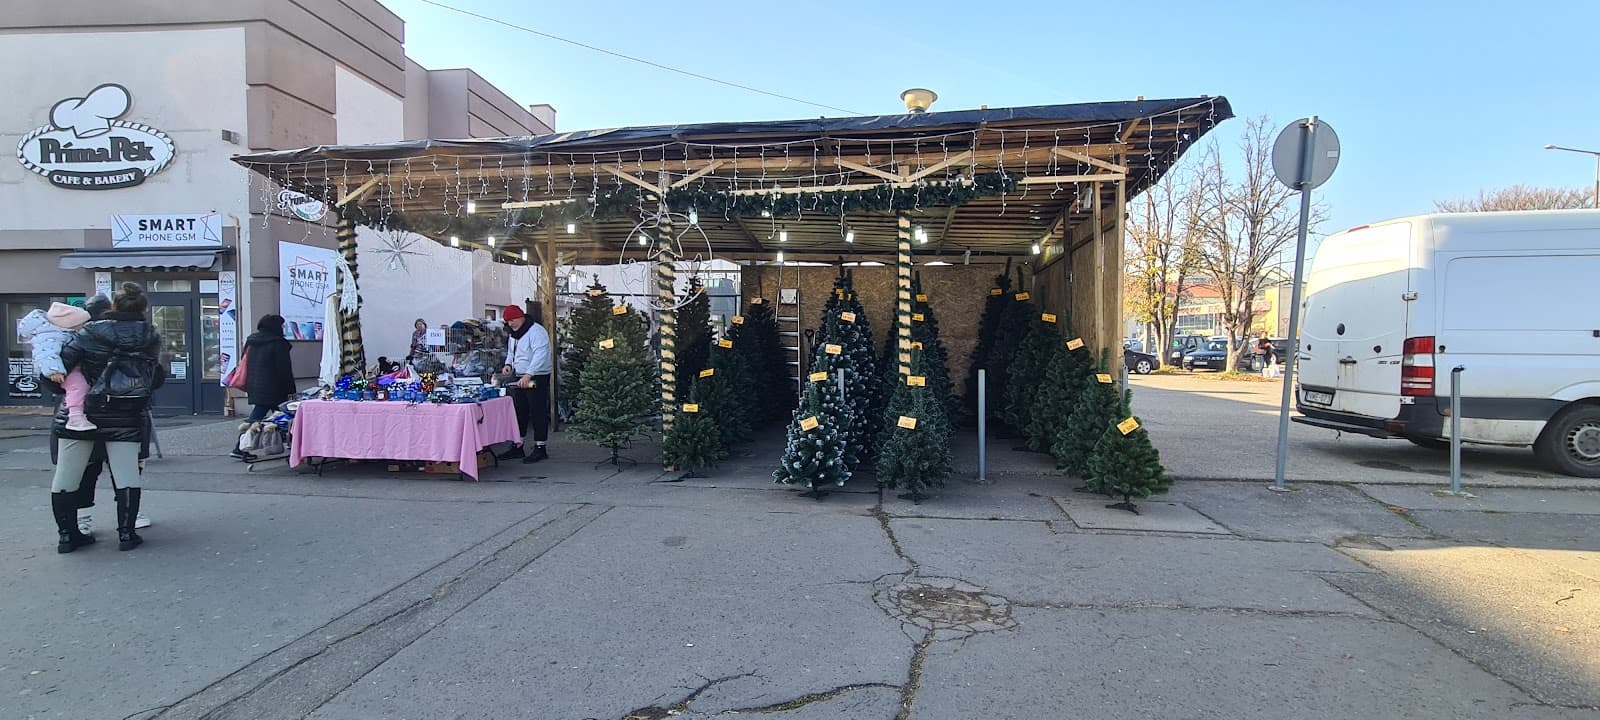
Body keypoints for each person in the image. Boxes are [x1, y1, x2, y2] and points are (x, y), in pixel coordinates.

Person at [49, 283, 163, 553]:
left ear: (113, 305)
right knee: (126, 475)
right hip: (126, 414)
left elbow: (59, 370)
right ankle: (126, 534)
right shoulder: (150, 336)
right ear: (143, 308)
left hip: (81, 413)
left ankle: (68, 536)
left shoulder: (90, 332)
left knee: (67, 476)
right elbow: (155, 377)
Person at [18, 302, 95, 431]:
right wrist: (54, 371)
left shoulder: (58, 333)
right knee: (78, 386)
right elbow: (46, 353)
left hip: (65, 368)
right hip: (59, 371)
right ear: (70, 323)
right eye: (81, 324)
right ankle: (75, 416)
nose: (83, 327)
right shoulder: (50, 336)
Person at [231, 314, 297, 459]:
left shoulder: (252, 340)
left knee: (276, 417)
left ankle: (284, 445)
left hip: (255, 384)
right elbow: (284, 369)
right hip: (274, 387)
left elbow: (245, 361)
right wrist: (291, 389)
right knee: (283, 416)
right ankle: (240, 447)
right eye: (281, 325)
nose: (283, 328)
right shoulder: (278, 343)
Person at [499, 302, 552, 463]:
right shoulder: (514, 334)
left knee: (537, 411)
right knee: (519, 411)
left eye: (511, 320)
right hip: (520, 375)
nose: (509, 324)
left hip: (537, 376)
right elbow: (511, 352)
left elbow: (540, 354)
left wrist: (529, 374)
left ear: (519, 318)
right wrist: (508, 364)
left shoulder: (536, 332)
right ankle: (518, 444)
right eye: (507, 321)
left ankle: (540, 447)